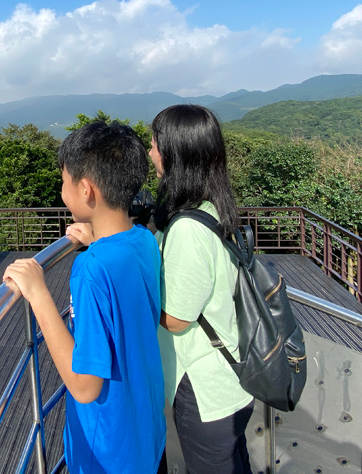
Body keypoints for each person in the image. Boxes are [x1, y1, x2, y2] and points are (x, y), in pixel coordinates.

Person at [3, 121, 167, 474]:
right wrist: (97, 239)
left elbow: (84, 387)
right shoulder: (143, 241)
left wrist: (39, 293)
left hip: (106, 449)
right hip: (145, 432)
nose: (62, 191)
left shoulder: (92, 268)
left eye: (64, 182)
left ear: (86, 190)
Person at [150, 104, 254, 474]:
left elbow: (177, 319)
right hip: (227, 375)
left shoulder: (188, 230)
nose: (151, 153)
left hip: (205, 387)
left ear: (176, 154)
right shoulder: (210, 209)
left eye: (155, 145)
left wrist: (134, 305)